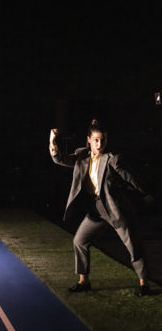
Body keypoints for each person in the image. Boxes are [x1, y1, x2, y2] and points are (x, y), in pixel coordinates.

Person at [49, 119, 153, 297]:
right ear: (88, 139)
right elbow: (60, 159)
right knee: (79, 241)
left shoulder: (112, 159)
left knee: (132, 245)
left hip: (114, 210)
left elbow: (130, 177)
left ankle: (144, 284)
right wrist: (52, 141)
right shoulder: (81, 155)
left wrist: (146, 193)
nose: (100, 144)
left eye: (103, 140)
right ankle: (84, 281)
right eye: (96, 140)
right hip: (96, 210)